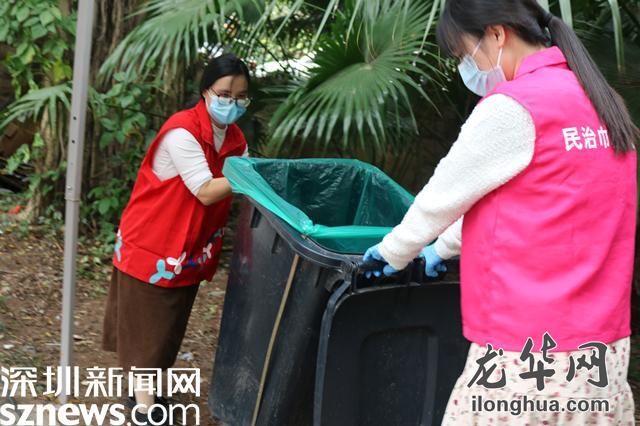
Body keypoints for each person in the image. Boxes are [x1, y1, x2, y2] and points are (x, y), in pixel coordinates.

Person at [363, 0, 638, 424]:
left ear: (496, 34)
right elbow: (534, 200)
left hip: (528, 356)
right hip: (601, 351)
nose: (468, 69)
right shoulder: (601, 102)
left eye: (464, 54)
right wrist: (444, 248)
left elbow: (442, 196)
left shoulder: (514, 106)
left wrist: (393, 252)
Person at [102, 53, 251, 426]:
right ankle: (143, 406)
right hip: (153, 241)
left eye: (240, 97)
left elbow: (243, 177)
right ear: (205, 91)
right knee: (147, 324)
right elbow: (205, 190)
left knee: (170, 323)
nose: (232, 103)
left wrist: (255, 176)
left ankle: (148, 392)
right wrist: (253, 177)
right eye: (224, 94)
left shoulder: (235, 138)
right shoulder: (182, 131)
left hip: (190, 248)